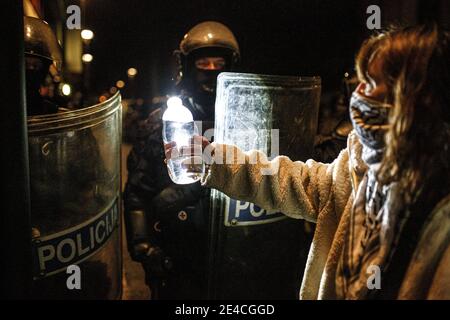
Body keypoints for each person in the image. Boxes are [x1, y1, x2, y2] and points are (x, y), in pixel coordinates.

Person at [166, 24, 450, 299]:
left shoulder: (439, 210)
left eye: (373, 83)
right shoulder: (362, 164)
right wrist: (213, 160)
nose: (358, 94)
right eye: (361, 81)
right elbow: (299, 183)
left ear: (415, 98)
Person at [123, 21, 240, 299]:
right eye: (204, 62)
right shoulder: (166, 122)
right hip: (178, 252)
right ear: (187, 66)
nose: (212, 71)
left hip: (233, 252)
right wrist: (144, 248)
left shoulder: (245, 121)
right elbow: (137, 192)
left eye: (219, 63)